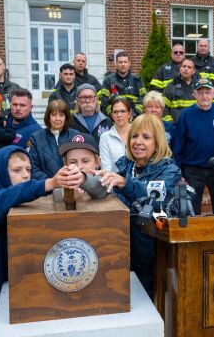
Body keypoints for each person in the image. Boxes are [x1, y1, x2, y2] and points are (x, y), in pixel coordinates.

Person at [0, 145, 82, 337]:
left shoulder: (28, 201)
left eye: (28, 170)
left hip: (16, 289)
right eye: (16, 170)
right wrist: (50, 183)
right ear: (0, 172)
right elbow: (13, 194)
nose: (25, 175)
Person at [98, 114, 181, 298]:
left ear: (158, 142)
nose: (138, 141)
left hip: (152, 248)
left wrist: (124, 183)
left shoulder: (169, 170)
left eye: (146, 137)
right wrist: (90, 183)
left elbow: (154, 197)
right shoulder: (125, 166)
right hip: (122, 244)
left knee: (147, 297)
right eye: (134, 136)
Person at [173, 78, 214, 215]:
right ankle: (193, 236)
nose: (204, 96)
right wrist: (179, 173)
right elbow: (178, 146)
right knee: (191, 210)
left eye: (208, 92)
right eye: (201, 93)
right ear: (194, 94)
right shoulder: (186, 115)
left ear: (213, 94)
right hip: (192, 170)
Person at [28, 100, 78, 180]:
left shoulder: (75, 136)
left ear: (66, 117)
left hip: (72, 186)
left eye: (61, 115)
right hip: (46, 188)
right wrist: (52, 182)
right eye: (54, 115)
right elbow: (32, 166)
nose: (58, 119)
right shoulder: (36, 138)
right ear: (48, 117)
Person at [58, 133, 108, 199]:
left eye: (85, 161)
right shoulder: (64, 183)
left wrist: (84, 182)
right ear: (66, 164)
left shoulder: (106, 180)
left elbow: (102, 190)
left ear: (98, 162)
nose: (79, 167)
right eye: (72, 162)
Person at [98, 51, 146, 117]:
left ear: (129, 63)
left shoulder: (137, 80)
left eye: (125, 62)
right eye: (120, 62)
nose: (123, 64)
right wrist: (113, 115)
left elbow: (143, 99)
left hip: (134, 120)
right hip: (115, 121)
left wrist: (134, 114)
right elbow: (104, 102)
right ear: (116, 64)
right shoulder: (108, 81)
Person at [99, 97, 132, 172]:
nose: (119, 115)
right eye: (115, 112)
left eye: (123, 111)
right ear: (112, 115)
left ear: (129, 114)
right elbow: (105, 167)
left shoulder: (138, 133)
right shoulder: (105, 137)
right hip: (114, 182)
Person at [162, 58, 198, 123]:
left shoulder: (199, 86)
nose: (186, 69)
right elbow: (164, 107)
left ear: (193, 71)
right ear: (180, 68)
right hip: (177, 126)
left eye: (189, 67)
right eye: (184, 66)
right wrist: (170, 124)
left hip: (195, 126)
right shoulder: (171, 85)